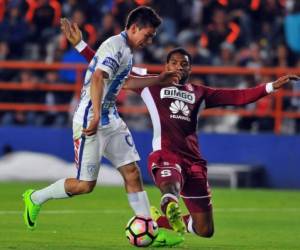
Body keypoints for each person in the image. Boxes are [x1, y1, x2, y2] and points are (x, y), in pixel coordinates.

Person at [63, 19, 299, 239]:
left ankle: (159, 222)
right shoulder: (152, 84)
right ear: (166, 65)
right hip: (165, 155)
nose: (178, 67)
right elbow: (108, 65)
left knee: (205, 229)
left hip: (193, 161)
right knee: (171, 187)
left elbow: (238, 96)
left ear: (189, 69)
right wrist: (81, 45)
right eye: (174, 63)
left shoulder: (201, 93)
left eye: (183, 64)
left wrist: (270, 87)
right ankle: (169, 202)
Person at [23, 6, 184, 247]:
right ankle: (35, 197)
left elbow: (124, 81)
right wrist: (97, 114)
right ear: (134, 28)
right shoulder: (115, 46)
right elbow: (98, 77)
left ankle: (150, 228)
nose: (149, 40)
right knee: (85, 185)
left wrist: (158, 79)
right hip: (91, 120)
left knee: (131, 172)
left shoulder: (127, 51)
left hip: (110, 119)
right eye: (148, 35)